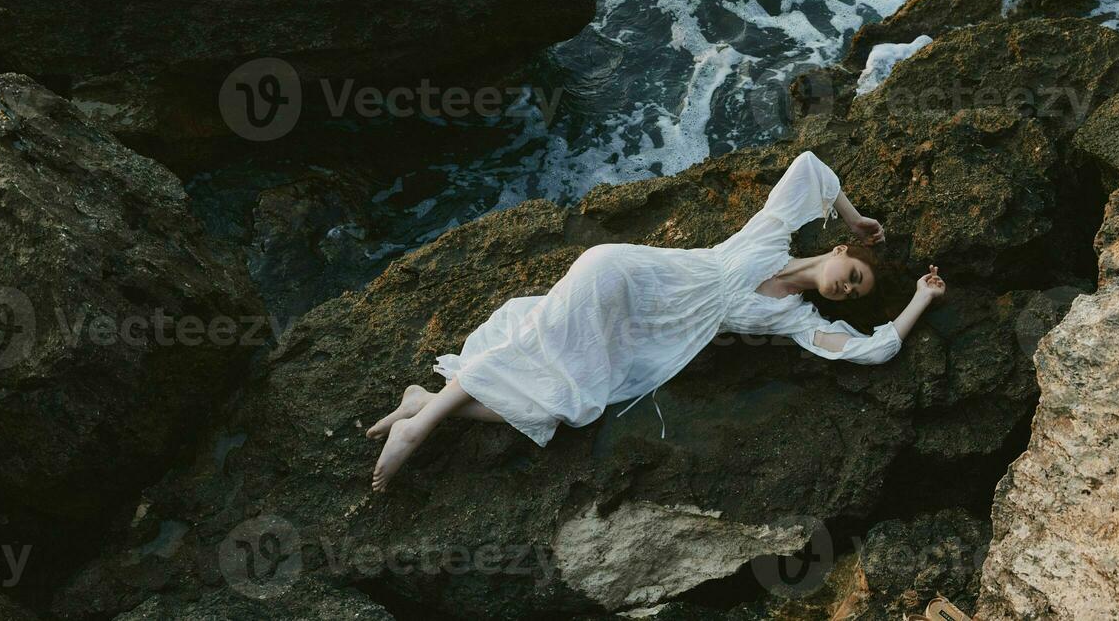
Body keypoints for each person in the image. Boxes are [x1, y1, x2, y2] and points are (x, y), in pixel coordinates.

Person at [369, 150, 947, 490]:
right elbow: (809, 166)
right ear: (842, 256)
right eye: (854, 276)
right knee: (536, 349)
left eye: (852, 296)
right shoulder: (771, 235)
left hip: (644, 338)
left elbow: (873, 350)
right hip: (624, 275)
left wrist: (919, 299)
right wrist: (855, 219)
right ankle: (422, 425)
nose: (845, 291)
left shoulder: (792, 317)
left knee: (569, 404)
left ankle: (425, 401)